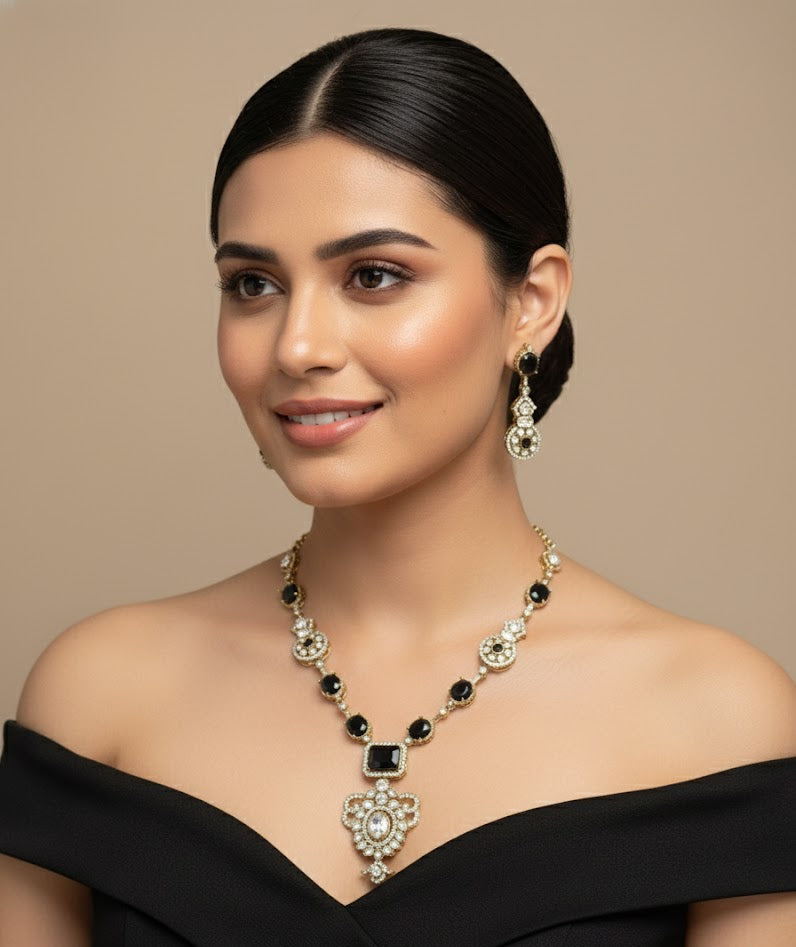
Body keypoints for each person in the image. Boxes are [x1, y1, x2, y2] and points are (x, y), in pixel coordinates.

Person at [0, 25, 794, 946]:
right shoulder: (101, 700)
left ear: (531, 302)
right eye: (253, 283)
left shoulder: (716, 721)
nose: (297, 346)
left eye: (374, 275)